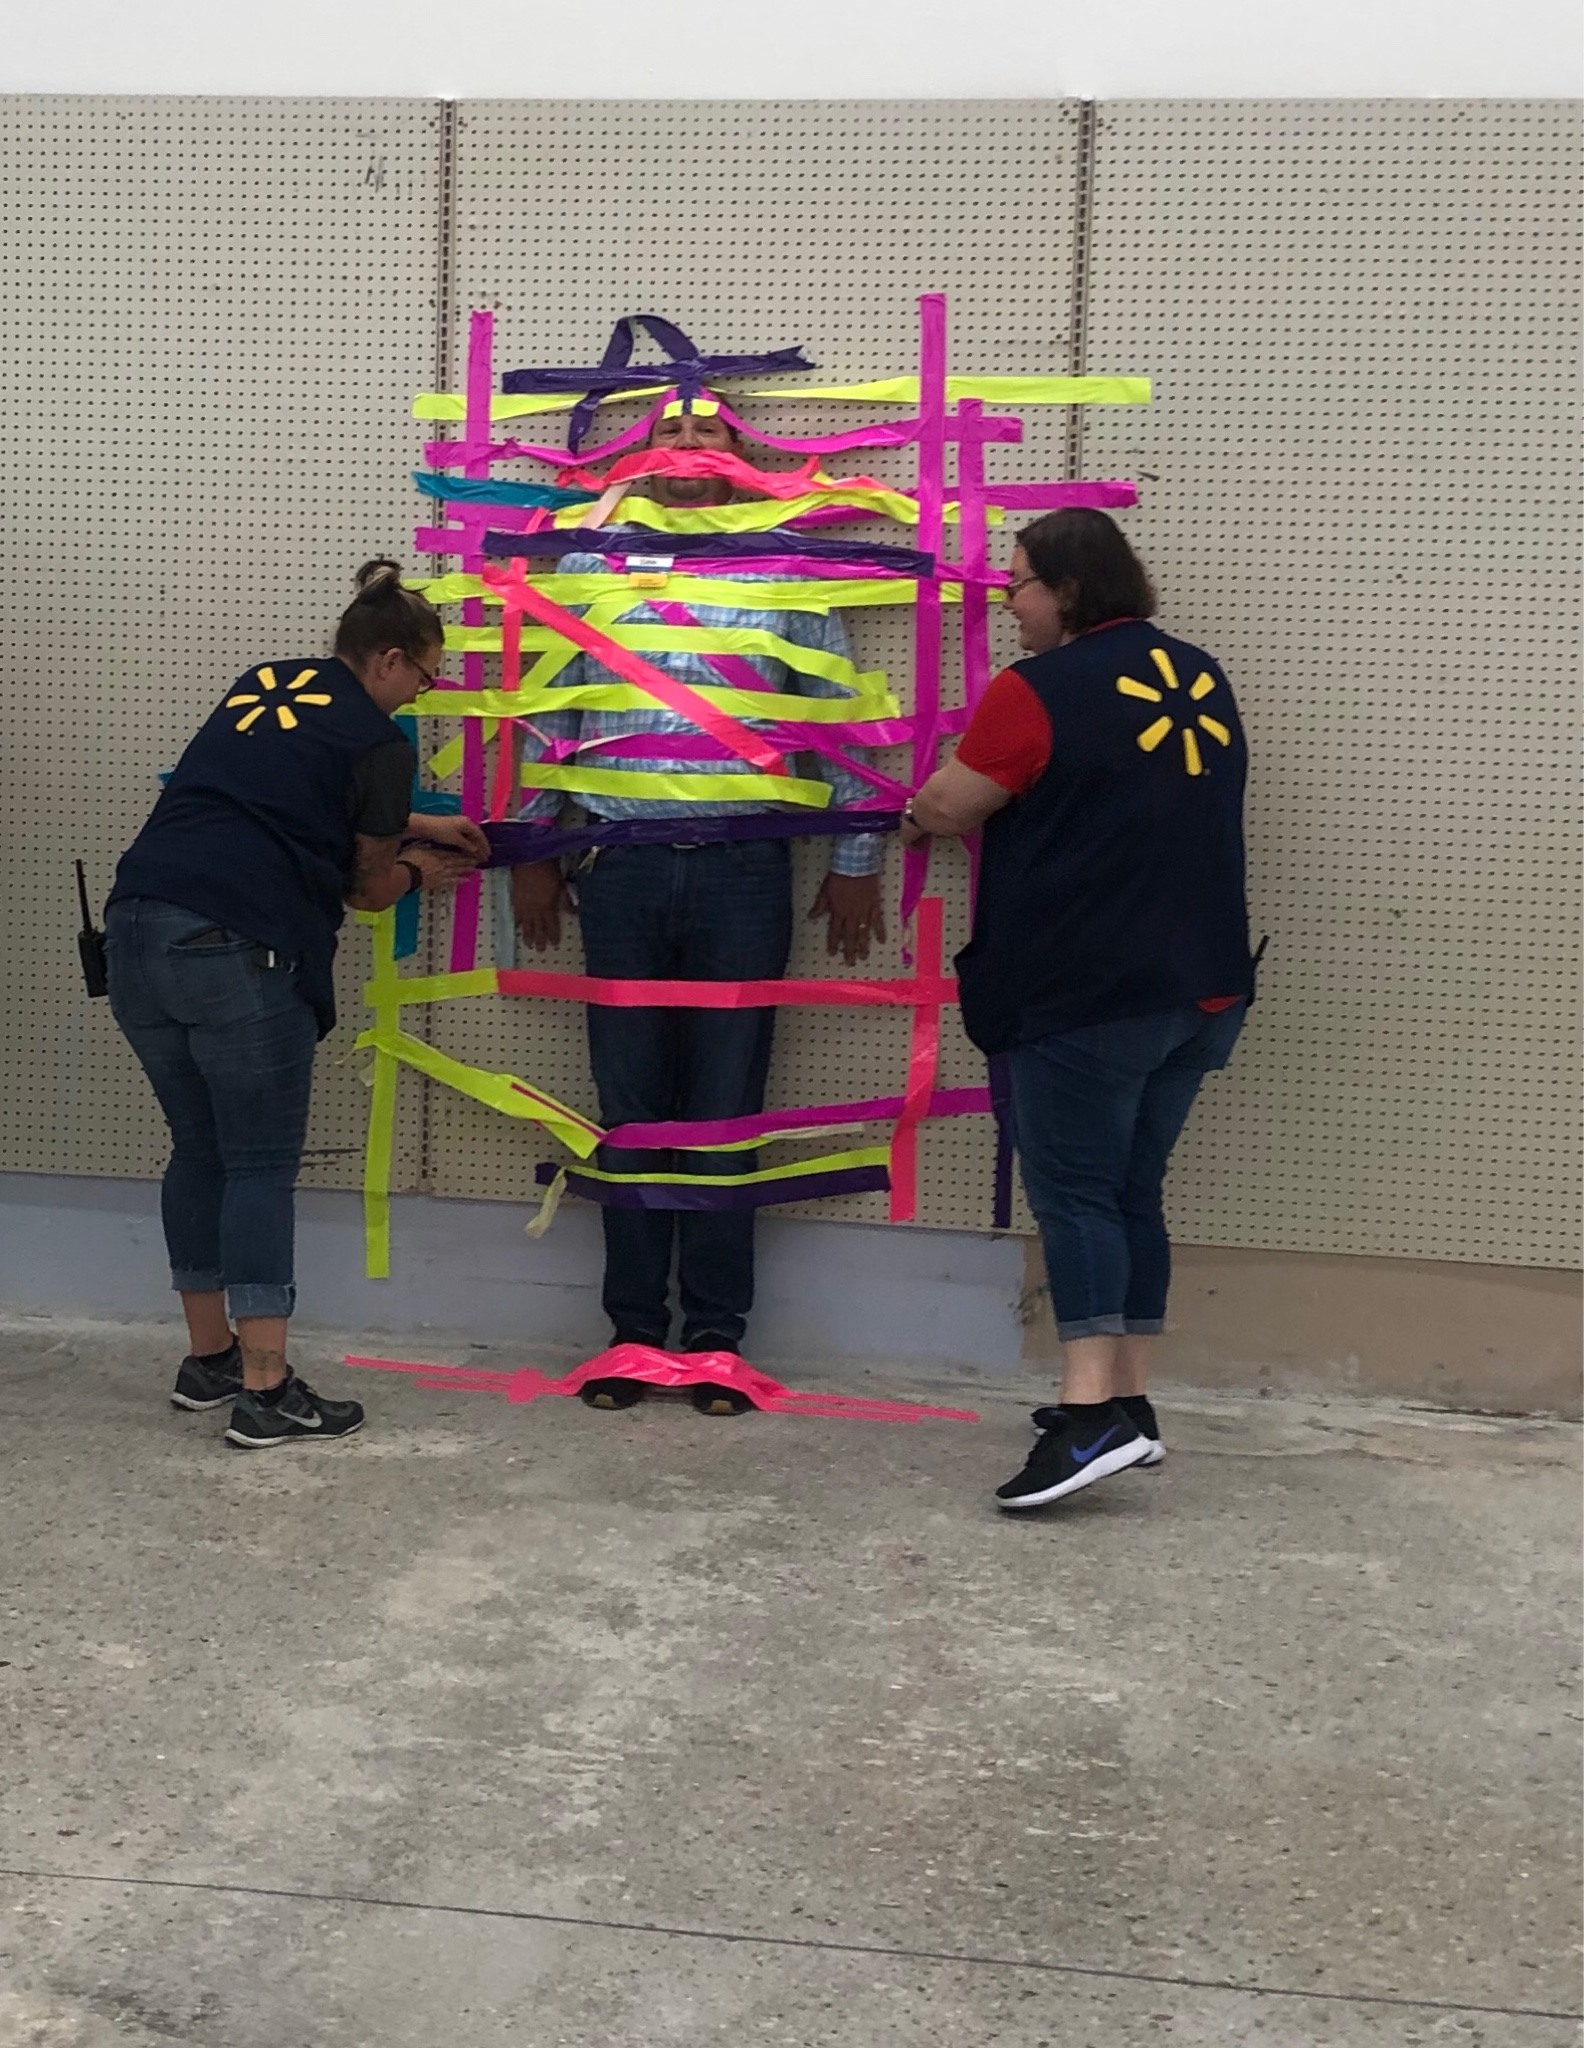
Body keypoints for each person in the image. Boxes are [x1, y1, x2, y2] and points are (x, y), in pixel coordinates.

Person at [510, 398, 887, 1413]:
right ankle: (635, 1335)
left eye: (708, 433)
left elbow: (838, 714)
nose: (686, 448)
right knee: (630, 1105)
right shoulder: (589, 566)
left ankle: (717, 1339)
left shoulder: (787, 572)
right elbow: (553, 708)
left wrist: (856, 856)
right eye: (669, 434)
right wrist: (534, 844)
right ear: (638, 458)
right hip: (619, 869)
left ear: (741, 457)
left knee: (726, 1107)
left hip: (744, 872)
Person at [902, 509, 1254, 1510]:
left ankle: (1089, 1414)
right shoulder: (1199, 674)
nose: (1010, 605)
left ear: (1065, 588)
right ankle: (1132, 1406)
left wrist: (914, 810)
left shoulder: (1038, 688)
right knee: (1133, 1188)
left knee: (1076, 1196)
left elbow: (951, 805)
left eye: (1018, 585)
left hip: (1090, 991)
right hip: (1203, 983)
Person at [106, 562, 488, 1448]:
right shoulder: (381, 746)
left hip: (135, 931)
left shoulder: (266, 683)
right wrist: (416, 869)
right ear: (388, 660)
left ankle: (209, 1360)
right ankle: (267, 1390)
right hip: (238, 949)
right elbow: (364, 889)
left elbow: (277, 795)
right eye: (426, 677)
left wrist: (416, 821)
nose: (422, 695)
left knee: (198, 1149)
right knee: (258, 1165)